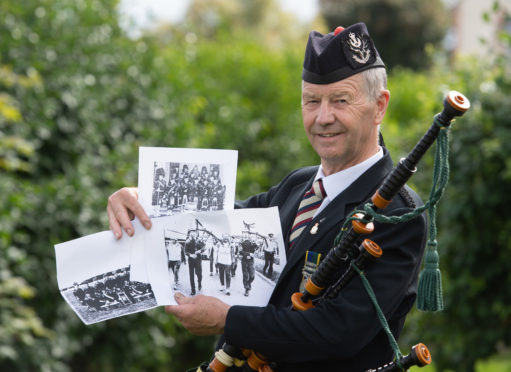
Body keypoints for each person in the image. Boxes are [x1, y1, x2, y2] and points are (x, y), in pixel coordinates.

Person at [106, 23, 427, 372]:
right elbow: (220, 222)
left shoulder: (398, 213)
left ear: (379, 106)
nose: (323, 118)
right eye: (311, 101)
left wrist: (229, 319)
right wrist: (142, 201)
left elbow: (337, 331)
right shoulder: (298, 184)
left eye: (340, 101)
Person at [183, 230, 205, 296]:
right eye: (191, 233)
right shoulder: (187, 242)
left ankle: (199, 283)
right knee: (191, 275)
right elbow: (186, 251)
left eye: (194, 233)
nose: (193, 234)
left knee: (199, 274)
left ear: (196, 234)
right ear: (190, 234)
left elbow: (204, 247)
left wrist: (200, 251)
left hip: (198, 259)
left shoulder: (199, 241)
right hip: (191, 260)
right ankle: (193, 289)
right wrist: (191, 255)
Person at [237, 232, 258, 297]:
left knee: (252, 276)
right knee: (245, 275)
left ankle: (249, 283)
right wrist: (249, 254)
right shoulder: (241, 243)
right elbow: (240, 251)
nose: (246, 236)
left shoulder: (253, 243)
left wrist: (255, 245)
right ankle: (246, 289)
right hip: (244, 261)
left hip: (251, 261)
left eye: (248, 235)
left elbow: (257, 249)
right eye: (245, 235)